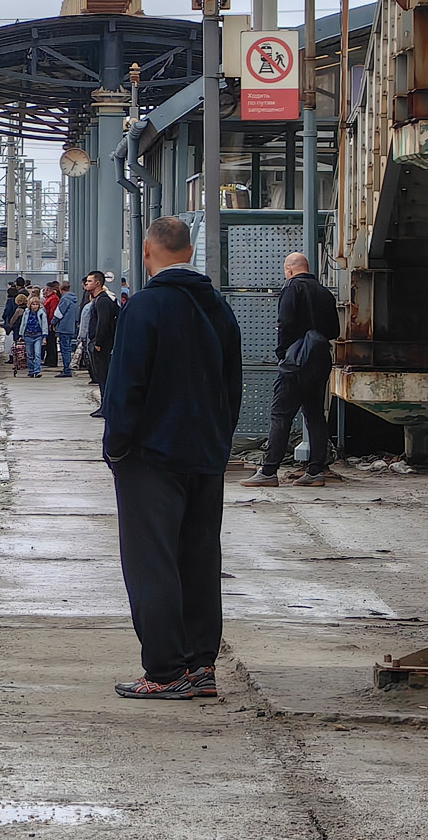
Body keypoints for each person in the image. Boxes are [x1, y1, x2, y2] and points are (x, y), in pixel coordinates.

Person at [100, 216, 242, 700]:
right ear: (189, 251)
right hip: (206, 456)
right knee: (200, 560)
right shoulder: (219, 309)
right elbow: (232, 388)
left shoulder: (144, 308)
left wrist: (117, 446)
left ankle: (164, 671)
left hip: (151, 458)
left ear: (147, 252)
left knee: (152, 562)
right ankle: (201, 665)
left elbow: (125, 387)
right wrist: (219, 442)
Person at [245, 252, 342, 488]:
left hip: (295, 362)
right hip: (319, 360)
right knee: (315, 414)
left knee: (281, 414)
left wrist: (282, 354)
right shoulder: (324, 293)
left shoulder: (291, 288)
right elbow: (334, 330)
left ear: (289, 269)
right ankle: (316, 470)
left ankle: (269, 471)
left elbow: (285, 324)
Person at [84, 271, 120, 416]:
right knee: (101, 375)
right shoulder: (100, 300)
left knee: (104, 375)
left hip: (102, 344)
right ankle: (105, 406)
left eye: (89, 281)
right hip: (101, 343)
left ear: (98, 283)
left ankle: (106, 407)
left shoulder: (103, 301)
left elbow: (103, 322)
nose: (87, 283)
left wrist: (98, 342)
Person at [53, 281, 81, 377]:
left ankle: (66, 369)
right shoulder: (74, 299)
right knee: (68, 349)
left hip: (63, 327)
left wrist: (53, 322)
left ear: (61, 290)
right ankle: (68, 368)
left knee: (64, 349)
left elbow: (59, 313)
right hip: (71, 327)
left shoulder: (64, 299)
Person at [20, 290, 49, 376]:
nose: (35, 306)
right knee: (29, 355)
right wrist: (21, 334)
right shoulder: (26, 313)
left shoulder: (41, 314)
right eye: (33, 304)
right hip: (28, 335)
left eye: (36, 304)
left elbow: (44, 324)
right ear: (30, 305)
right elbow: (23, 323)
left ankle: (37, 370)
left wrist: (44, 336)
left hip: (38, 335)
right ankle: (31, 370)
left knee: (37, 354)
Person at [43, 281, 63, 369]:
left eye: (47, 289)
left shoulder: (53, 298)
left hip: (49, 323)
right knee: (49, 342)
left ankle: (52, 360)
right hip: (47, 322)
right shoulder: (50, 298)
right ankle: (49, 359)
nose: (45, 291)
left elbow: (52, 311)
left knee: (51, 342)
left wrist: (51, 323)